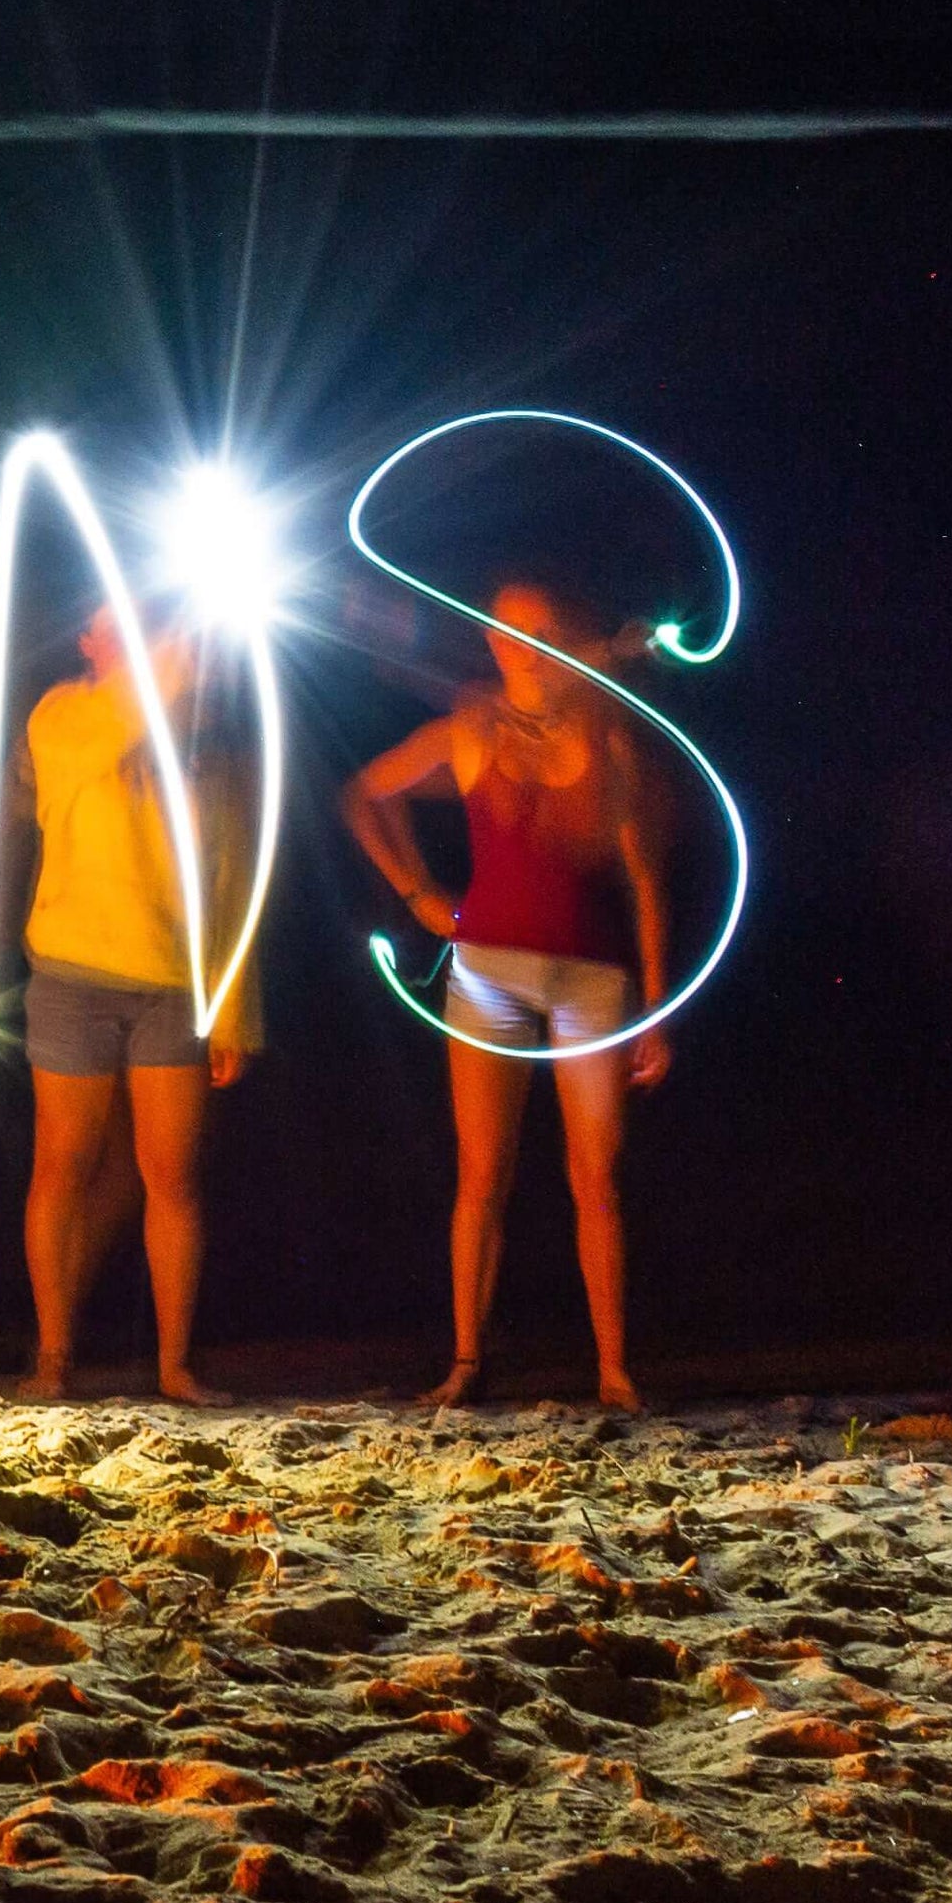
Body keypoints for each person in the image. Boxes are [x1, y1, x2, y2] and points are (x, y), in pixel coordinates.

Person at [340, 581, 675, 1411]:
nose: (519, 642)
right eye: (505, 629)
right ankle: (463, 1363)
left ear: (559, 634)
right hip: (487, 972)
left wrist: (661, 1008)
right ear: (490, 640)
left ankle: (614, 1370)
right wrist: (419, 896)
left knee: (596, 1179)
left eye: (538, 628)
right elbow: (364, 794)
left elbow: (644, 881)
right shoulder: (473, 729)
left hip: (592, 979)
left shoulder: (608, 734)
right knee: (481, 1175)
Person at [7, 601, 258, 1402]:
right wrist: (187, 634)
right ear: (85, 640)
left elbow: (232, 882)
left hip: (174, 987)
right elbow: (122, 717)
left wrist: (234, 1009)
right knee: (62, 1168)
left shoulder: (205, 743)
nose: (128, 635)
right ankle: (53, 1355)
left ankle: (176, 1365)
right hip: (74, 971)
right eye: (106, 622)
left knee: (172, 1179)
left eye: (139, 622)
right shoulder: (64, 715)